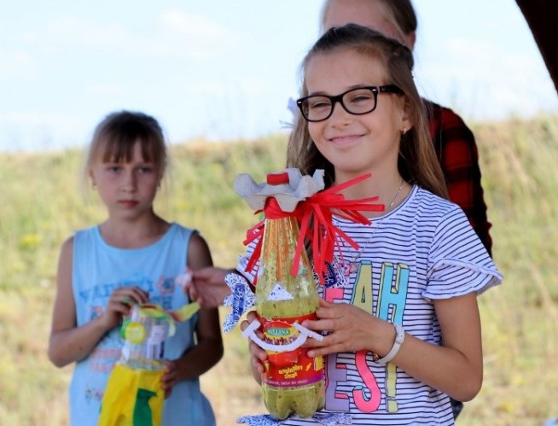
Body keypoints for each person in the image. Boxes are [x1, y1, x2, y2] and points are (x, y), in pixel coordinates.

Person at [189, 24, 502, 424]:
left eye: (359, 98)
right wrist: (267, 357)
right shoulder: (288, 225)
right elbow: (271, 372)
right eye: (319, 103)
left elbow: (466, 379)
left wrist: (378, 336)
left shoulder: (439, 226)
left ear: (406, 111)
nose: (337, 118)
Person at [47, 110, 223, 426]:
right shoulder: (76, 251)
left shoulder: (188, 247)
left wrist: (178, 370)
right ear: (92, 174)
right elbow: (58, 353)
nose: (128, 184)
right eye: (114, 168)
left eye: (143, 169)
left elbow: (212, 345)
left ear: (161, 173)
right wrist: (104, 321)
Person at [316, 0, 493, 255]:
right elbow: (267, 271)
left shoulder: (444, 129)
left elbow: (467, 258)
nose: (348, 52)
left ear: (409, 42)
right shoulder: (318, 131)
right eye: (334, 36)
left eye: (369, 36)